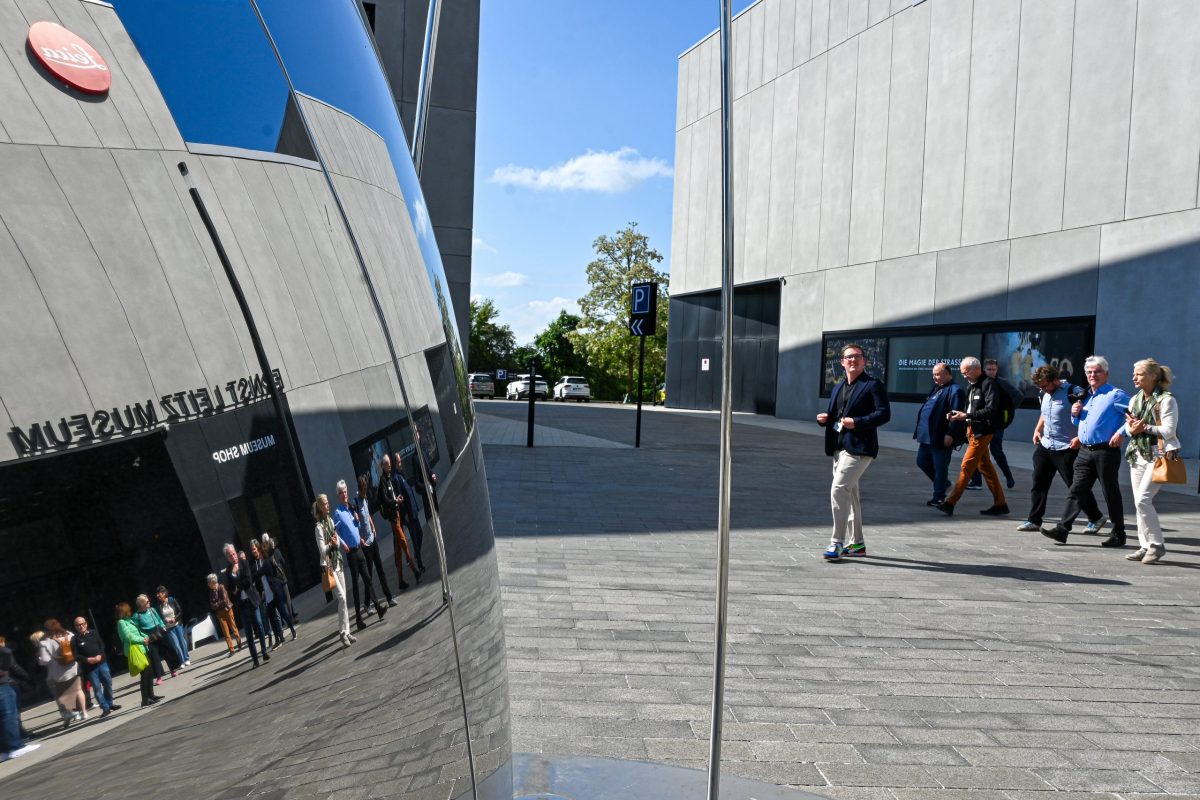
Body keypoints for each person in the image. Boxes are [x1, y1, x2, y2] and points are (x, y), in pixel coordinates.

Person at [1042, 356, 1131, 547]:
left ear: (1106, 373)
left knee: (1110, 492)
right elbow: (1080, 423)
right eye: (1089, 372)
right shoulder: (1086, 396)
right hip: (1084, 451)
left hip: (1105, 451)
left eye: (1097, 371)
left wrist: (1121, 433)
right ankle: (1062, 529)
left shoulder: (1116, 394)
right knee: (1076, 490)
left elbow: (1134, 416)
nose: (1093, 375)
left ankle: (1118, 533)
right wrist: (1075, 415)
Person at [816, 343, 891, 561]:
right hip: (839, 447)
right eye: (849, 357)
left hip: (859, 448)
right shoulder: (839, 386)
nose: (853, 360)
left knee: (839, 489)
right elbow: (838, 416)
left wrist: (857, 422)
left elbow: (884, 414)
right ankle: (857, 543)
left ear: (864, 361)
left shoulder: (872, 385)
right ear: (842, 362)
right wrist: (826, 420)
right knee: (850, 494)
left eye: (858, 357)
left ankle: (836, 542)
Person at [1017, 365, 1107, 534]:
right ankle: (1034, 520)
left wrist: (1080, 437)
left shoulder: (1074, 391)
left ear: (1055, 380)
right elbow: (1045, 413)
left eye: (1045, 386)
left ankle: (1096, 517)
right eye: (1040, 387)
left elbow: (1091, 415)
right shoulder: (1045, 393)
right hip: (1046, 445)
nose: (1043, 389)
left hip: (1067, 447)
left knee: (1075, 486)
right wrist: (1038, 430)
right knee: (1039, 483)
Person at [1122, 358, 1180, 564]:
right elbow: (1129, 429)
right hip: (1137, 454)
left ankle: (1157, 544)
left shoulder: (1166, 400)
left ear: (1153, 376)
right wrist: (1132, 428)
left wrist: (1143, 428)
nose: (1134, 377)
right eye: (1134, 373)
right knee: (1140, 503)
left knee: (1142, 500)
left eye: (1138, 374)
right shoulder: (1135, 399)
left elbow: (1168, 431)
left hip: (1158, 455)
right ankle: (1144, 545)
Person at [937, 357, 1009, 516]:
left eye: (966, 372)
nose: (964, 376)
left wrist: (967, 415)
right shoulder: (973, 386)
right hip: (972, 431)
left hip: (983, 432)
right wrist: (958, 414)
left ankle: (950, 502)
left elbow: (991, 410)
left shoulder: (988, 384)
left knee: (966, 466)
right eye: (962, 373)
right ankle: (1000, 503)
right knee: (986, 468)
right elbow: (969, 408)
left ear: (976, 369)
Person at [334, 479, 388, 632]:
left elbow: (356, 527)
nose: (344, 494)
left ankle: (378, 607)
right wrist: (342, 544)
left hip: (359, 549)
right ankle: (358, 619)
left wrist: (357, 522)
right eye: (341, 493)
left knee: (368, 579)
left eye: (345, 492)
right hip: (350, 552)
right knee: (356, 586)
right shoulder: (338, 513)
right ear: (338, 495)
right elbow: (335, 534)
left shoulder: (351, 508)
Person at [913, 362, 965, 506]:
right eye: (933, 374)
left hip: (941, 436)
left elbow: (956, 415)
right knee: (921, 461)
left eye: (938, 374)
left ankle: (939, 496)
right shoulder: (937, 389)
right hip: (927, 436)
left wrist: (950, 434)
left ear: (948, 374)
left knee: (940, 466)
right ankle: (945, 484)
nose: (935, 377)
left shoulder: (955, 390)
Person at [968, 358, 1019, 491]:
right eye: (989, 369)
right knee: (976, 451)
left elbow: (1018, 396)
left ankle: (1008, 476)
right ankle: (976, 481)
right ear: (984, 370)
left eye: (994, 369)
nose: (991, 372)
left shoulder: (1002, 383)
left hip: (996, 424)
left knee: (996, 451)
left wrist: (1007, 411)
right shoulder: (978, 383)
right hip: (980, 423)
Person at [221, 543, 271, 668]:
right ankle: (255, 659)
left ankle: (264, 651)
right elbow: (230, 589)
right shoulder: (228, 571)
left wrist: (237, 586)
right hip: (242, 605)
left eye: (234, 553)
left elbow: (248, 581)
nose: (233, 557)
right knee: (248, 633)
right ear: (227, 558)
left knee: (259, 626)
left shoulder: (244, 563)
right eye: (230, 555)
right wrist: (234, 576)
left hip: (252, 600)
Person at [314, 493, 354, 646]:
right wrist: (331, 544)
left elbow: (336, 543)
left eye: (327, 502)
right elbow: (322, 551)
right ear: (320, 507)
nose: (327, 505)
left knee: (345, 598)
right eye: (324, 504)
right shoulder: (318, 528)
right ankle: (341, 632)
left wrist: (336, 543)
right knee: (342, 598)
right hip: (329, 566)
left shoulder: (330, 521)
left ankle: (348, 632)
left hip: (338, 561)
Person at [376, 454, 419, 586]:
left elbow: (393, 495)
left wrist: (397, 499)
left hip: (398, 515)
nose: (390, 466)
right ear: (383, 466)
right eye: (387, 464)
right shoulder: (383, 481)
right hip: (394, 519)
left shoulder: (390, 478)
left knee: (398, 550)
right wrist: (395, 501)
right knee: (404, 543)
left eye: (390, 464)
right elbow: (385, 499)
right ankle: (415, 570)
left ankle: (400, 580)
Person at [36, 620, 87, 729]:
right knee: (78, 690)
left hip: (58, 673)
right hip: (73, 667)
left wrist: (40, 659)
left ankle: (69, 713)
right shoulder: (68, 634)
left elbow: (45, 660)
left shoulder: (45, 641)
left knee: (63, 695)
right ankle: (83, 712)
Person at [357, 474, 397, 613]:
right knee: (369, 575)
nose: (365, 492)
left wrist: (373, 527)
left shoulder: (365, 500)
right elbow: (356, 524)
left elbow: (367, 516)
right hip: (366, 545)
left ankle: (389, 597)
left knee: (380, 569)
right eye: (363, 490)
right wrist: (360, 539)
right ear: (359, 489)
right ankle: (367, 604)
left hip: (372, 540)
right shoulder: (356, 503)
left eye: (366, 489)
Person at [70, 617, 120, 718]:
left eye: (83, 623)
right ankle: (105, 707)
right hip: (90, 669)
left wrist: (100, 655)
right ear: (75, 627)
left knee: (108, 683)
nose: (81, 626)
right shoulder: (74, 639)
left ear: (86, 624)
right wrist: (87, 660)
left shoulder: (93, 633)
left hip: (102, 663)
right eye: (78, 625)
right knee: (97, 688)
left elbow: (101, 645)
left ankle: (110, 703)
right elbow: (76, 656)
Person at [0, 634, 38, 762]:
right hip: (4, 684)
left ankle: (5, 749)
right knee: (9, 715)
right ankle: (16, 746)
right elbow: (7, 656)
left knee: (4, 717)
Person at [251, 538, 295, 646]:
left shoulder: (267, 562)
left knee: (282, 612)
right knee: (271, 616)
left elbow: (258, 573)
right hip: (268, 594)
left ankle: (293, 631)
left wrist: (250, 575)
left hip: (275, 591)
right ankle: (278, 638)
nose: (259, 556)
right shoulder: (260, 563)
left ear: (262, 553)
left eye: (260, 553)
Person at [115, 602, 160, 708]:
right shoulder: (121, 622)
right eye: (128, 609)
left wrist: (146, 637)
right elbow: (128, 636)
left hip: (142, 648)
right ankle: (145, 699)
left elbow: (138, 632)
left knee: (150, 672)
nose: (130, 611)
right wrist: (142, 639)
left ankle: (151, 695)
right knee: (145, 674)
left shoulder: (128, 620)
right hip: (135, 650)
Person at [132, 594, 178, 685]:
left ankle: (173, 670)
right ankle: (159, 677)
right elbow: (136, 629)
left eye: (148, 601)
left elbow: (159, 619)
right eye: (147, 602)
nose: (149, 602)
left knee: (167, 651)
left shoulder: (152, 610)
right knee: (154, 657)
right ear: (141, 604)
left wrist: (163, 626)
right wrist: (143, 637)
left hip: (159, 631)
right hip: (148, 636)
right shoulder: (136, 616)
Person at [207, 572, 241, 657]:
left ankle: (239, 643)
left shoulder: (221, 587)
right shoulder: (211, 592)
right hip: (220, 613)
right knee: (225, 633)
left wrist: (217, 604)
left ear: (213, 582)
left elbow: (225, 600)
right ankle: (231, 649)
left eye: (209, 583)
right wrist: (217, 604)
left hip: (227, 610)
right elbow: (211, 604)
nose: (209, 585)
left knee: (233, 628)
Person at [155, 586, 190, 668]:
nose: (157, 595)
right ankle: (181, 661)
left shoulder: (172, 600)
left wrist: (175, 619)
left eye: (159, 593)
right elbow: (159, 618)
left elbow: (180, 611)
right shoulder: (159, 605)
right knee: (176, 645)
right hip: (169, 627)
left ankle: (186, 659)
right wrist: (165, 620)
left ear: (164, 593)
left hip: (178, 624)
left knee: (182, 642)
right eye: (157, 594)